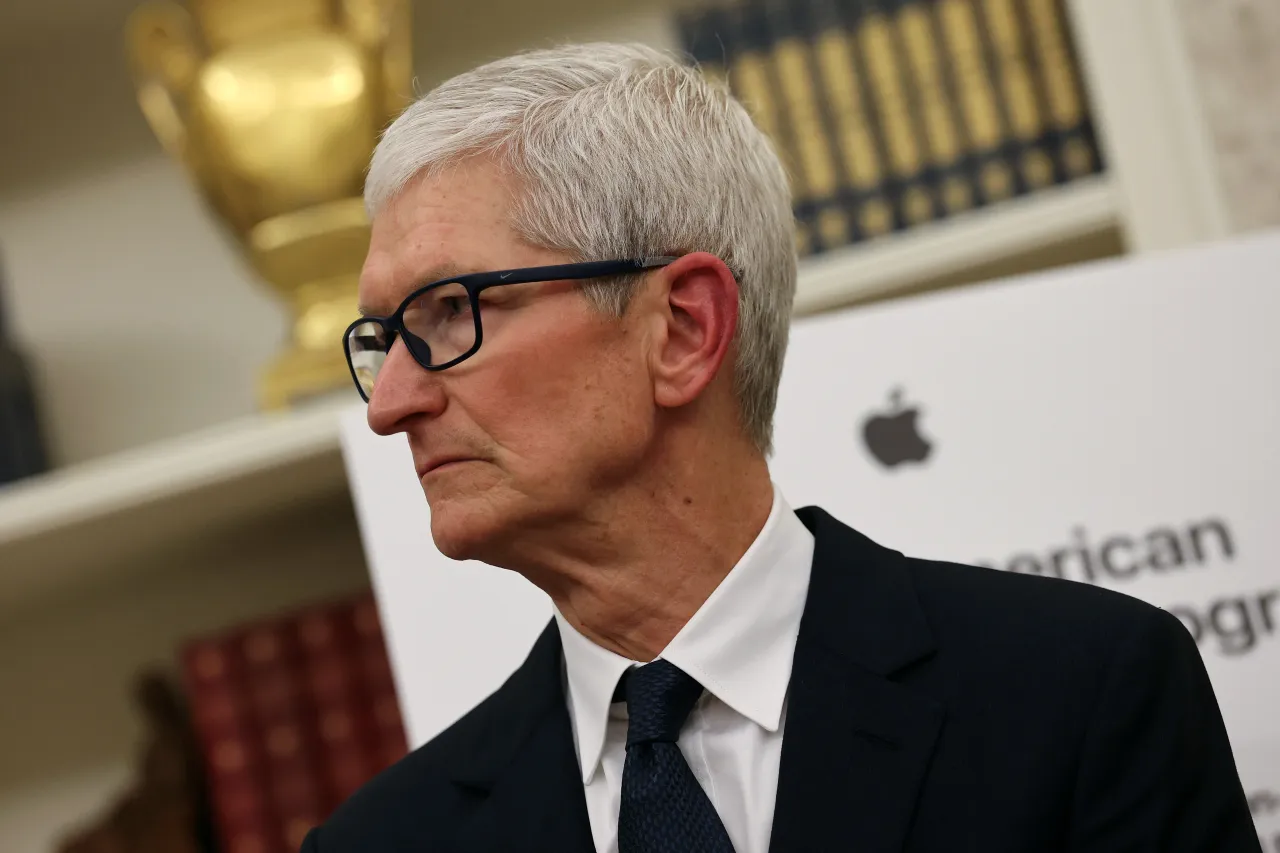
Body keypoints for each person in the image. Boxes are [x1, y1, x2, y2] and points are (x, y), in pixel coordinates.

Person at [306, 42, 1259, 853]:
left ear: (682, 329)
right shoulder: (381, 842)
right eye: (383, 339)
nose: (390, 403)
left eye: (447, 312)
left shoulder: (1081, 697)